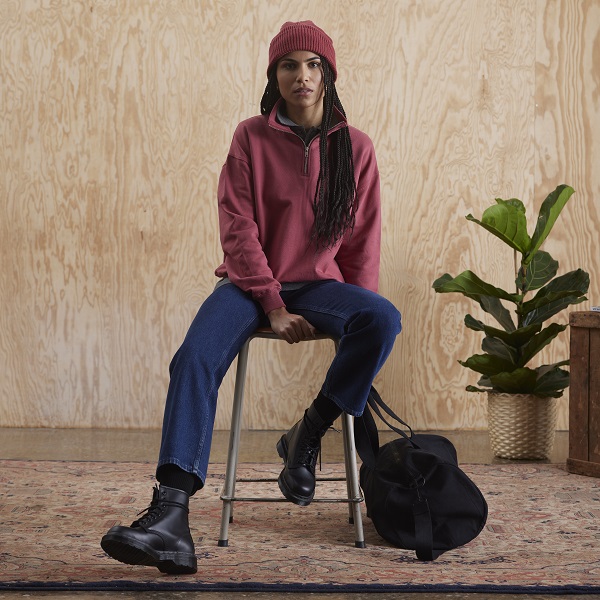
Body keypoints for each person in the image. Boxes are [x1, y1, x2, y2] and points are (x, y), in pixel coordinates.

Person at [101, 20, 402, 575]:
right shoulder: (250, 137)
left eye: (313, 65)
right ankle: (170, 517)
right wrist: (272, 304)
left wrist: (355, 326)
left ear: (328, 75)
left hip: (321, 286)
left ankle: (307, 433)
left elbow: (362, 244)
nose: (302, 75)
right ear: (274, 76)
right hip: (248, 284)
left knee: (382, 319)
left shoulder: (356, 148)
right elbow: (238, 228)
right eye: (289, 65)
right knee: (193, 358)